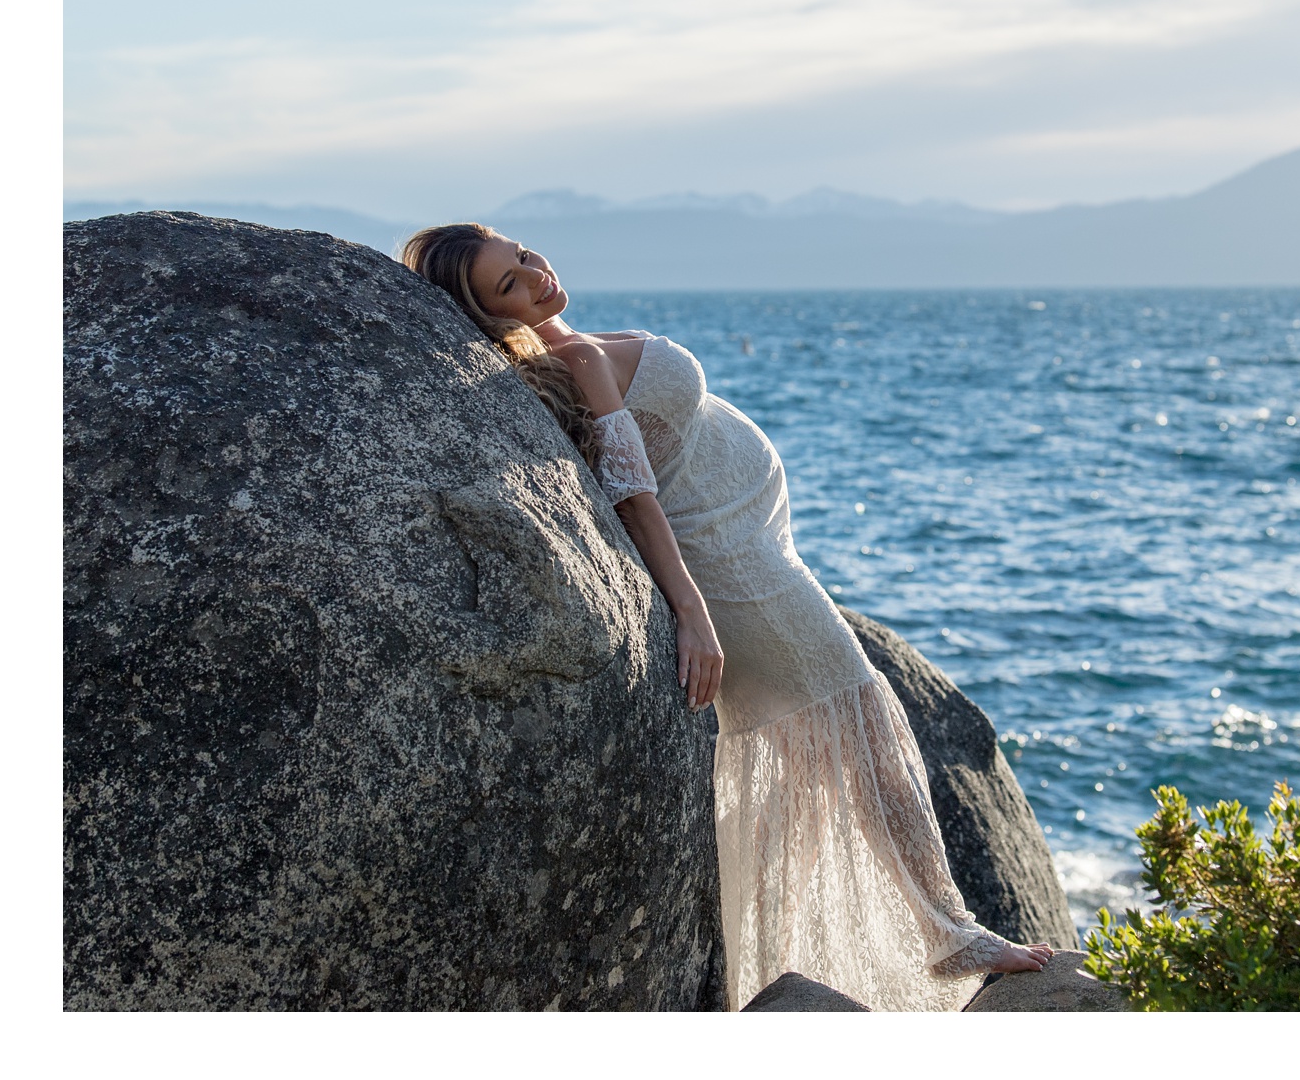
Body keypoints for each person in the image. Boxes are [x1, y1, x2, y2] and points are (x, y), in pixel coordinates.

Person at [401, 222, 1051, 1010]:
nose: (536, 276)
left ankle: (815, 967)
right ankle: (952, 935)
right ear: (492, 316)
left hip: (752, 546)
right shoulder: (578, 360)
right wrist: (693, 611)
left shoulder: (580, 343)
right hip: (732, 572)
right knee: (864, 721)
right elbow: (633, 491)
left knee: (818, 770)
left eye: (524, 256)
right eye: (509, 285)